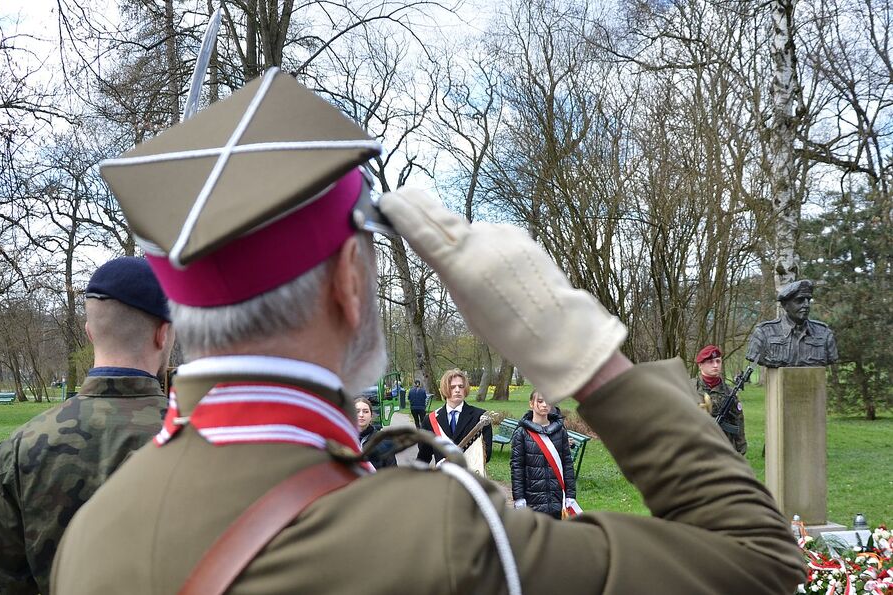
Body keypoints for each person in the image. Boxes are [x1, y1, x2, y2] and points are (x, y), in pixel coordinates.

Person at [51, 68, 804, 594]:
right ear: (349, 283)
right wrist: (583, 353)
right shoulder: (440, 538)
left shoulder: (94, 533)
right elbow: (758, 562)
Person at [0, 257, 174, 595]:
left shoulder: (18, 449)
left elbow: (4, 582)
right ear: (163, 334)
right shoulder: (200, 438)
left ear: (89, 332)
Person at [510, 390, 578, 519]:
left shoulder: (560, 431)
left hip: (557, 497)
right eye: (540, 401)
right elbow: (517, 467)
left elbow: (567, 464)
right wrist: (519, 497)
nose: (544, 405)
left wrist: (570, 495)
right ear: (531, 403)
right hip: (532, 498)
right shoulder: (522, 433)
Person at [746, 279, 838, 368]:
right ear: (785, 305)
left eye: (808, 300)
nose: (806, 305)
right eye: (800, 300)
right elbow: (755, 357)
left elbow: (831, 358)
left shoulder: (824, 333)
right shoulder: (764, 333)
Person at [416, 369, 493, 465]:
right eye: (452, 387)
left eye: (461, 386)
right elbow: (424, 455)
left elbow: (486, 455)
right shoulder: (430, 420)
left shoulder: (481, 418)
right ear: (445, 389)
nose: (457, 390)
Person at [691, 345, 747, 455]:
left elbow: (738, 421)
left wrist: (741, 450)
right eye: (710, 362)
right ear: (700, 365)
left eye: (718, 361)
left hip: (724, 449)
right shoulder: (689, 388)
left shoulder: (729, 392)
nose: (715, 365)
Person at [354, 397, 397, 469]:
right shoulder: (342, 440)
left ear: (371, 416)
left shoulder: (384, 440)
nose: (361, 415)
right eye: (357, 411)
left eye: (365, 411)